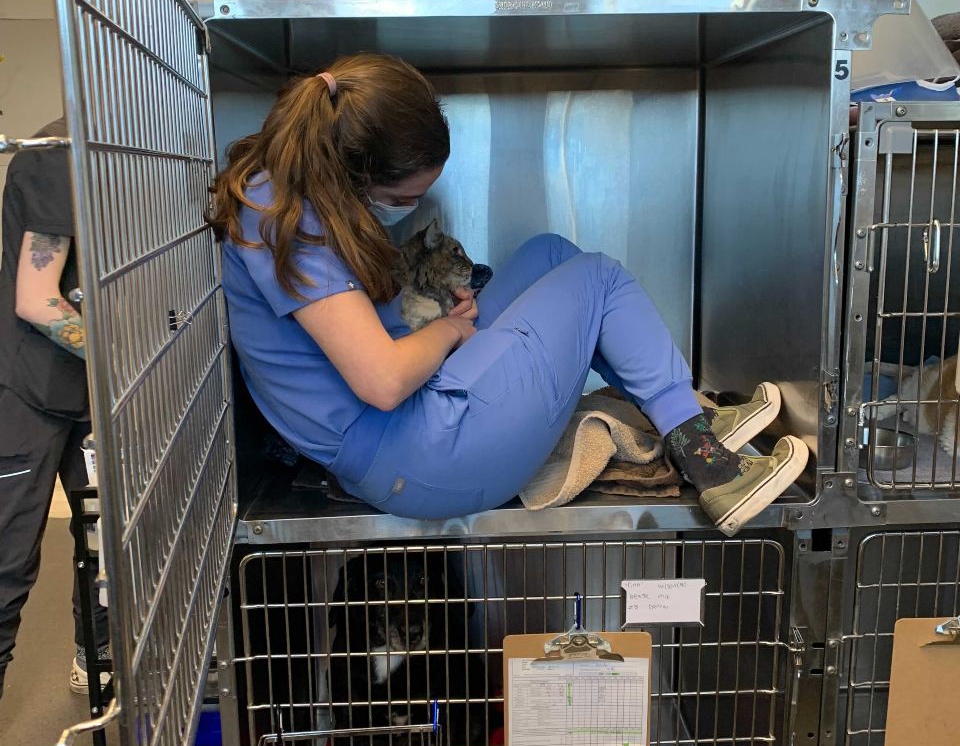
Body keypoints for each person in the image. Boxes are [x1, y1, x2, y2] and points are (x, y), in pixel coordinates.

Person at [211, 53, 806, 537]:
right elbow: (383, 380)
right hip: (415, 457)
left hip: (408, 426)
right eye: (402, 199)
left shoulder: (296, 190)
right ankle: (712, 465)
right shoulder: (282, 219)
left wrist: (446, 333)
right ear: (355, 175)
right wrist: (450, 333)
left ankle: (679, 414)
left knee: (550, 252)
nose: (407, 213)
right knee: (598, 277)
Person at [0, 119, 110, 746]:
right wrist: (127, 349)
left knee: (104, 540)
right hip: (31, 387)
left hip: (94, 394)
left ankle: (89, 659)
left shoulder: (123, 148)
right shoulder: (55, 156)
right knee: (8, 558)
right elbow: (38, 300)